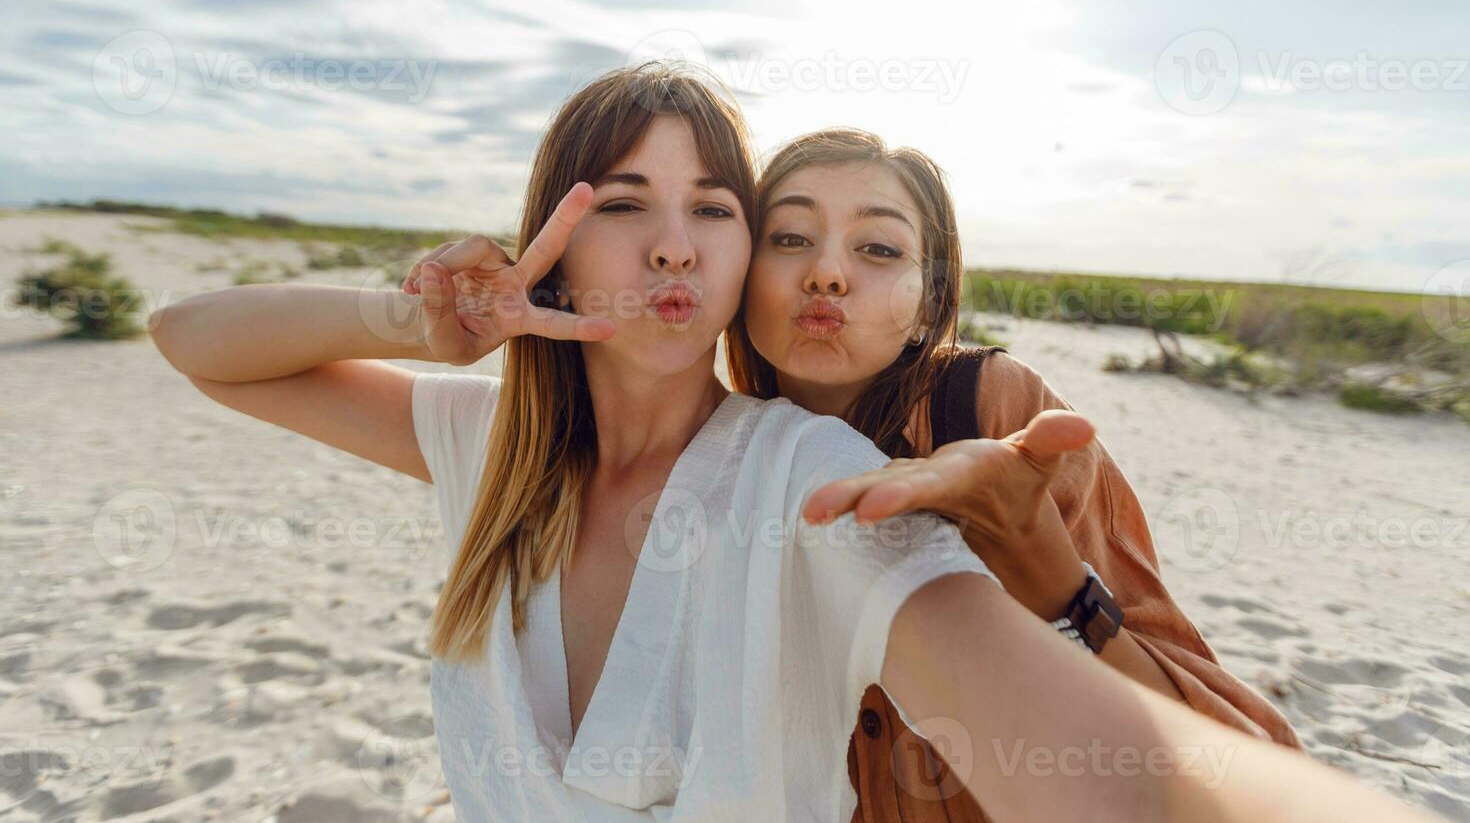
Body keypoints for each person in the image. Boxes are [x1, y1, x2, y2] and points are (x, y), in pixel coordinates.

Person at [151, 64, 1437, 823]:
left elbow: (1133, 778)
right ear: (546, 231)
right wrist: (421, 324)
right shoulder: (490, 448)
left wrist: (1048, 578)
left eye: (712, 206)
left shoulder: (818, 478)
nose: (671, 243)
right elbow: (191, 336)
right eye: (624, 205)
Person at [723, 128, 1302, 820]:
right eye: (789, 237)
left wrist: (1043, 566)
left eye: (878, 248)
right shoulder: (713, 448)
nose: (827, 273)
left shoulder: (996, 410)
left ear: (930, 306)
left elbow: (1240, 753)